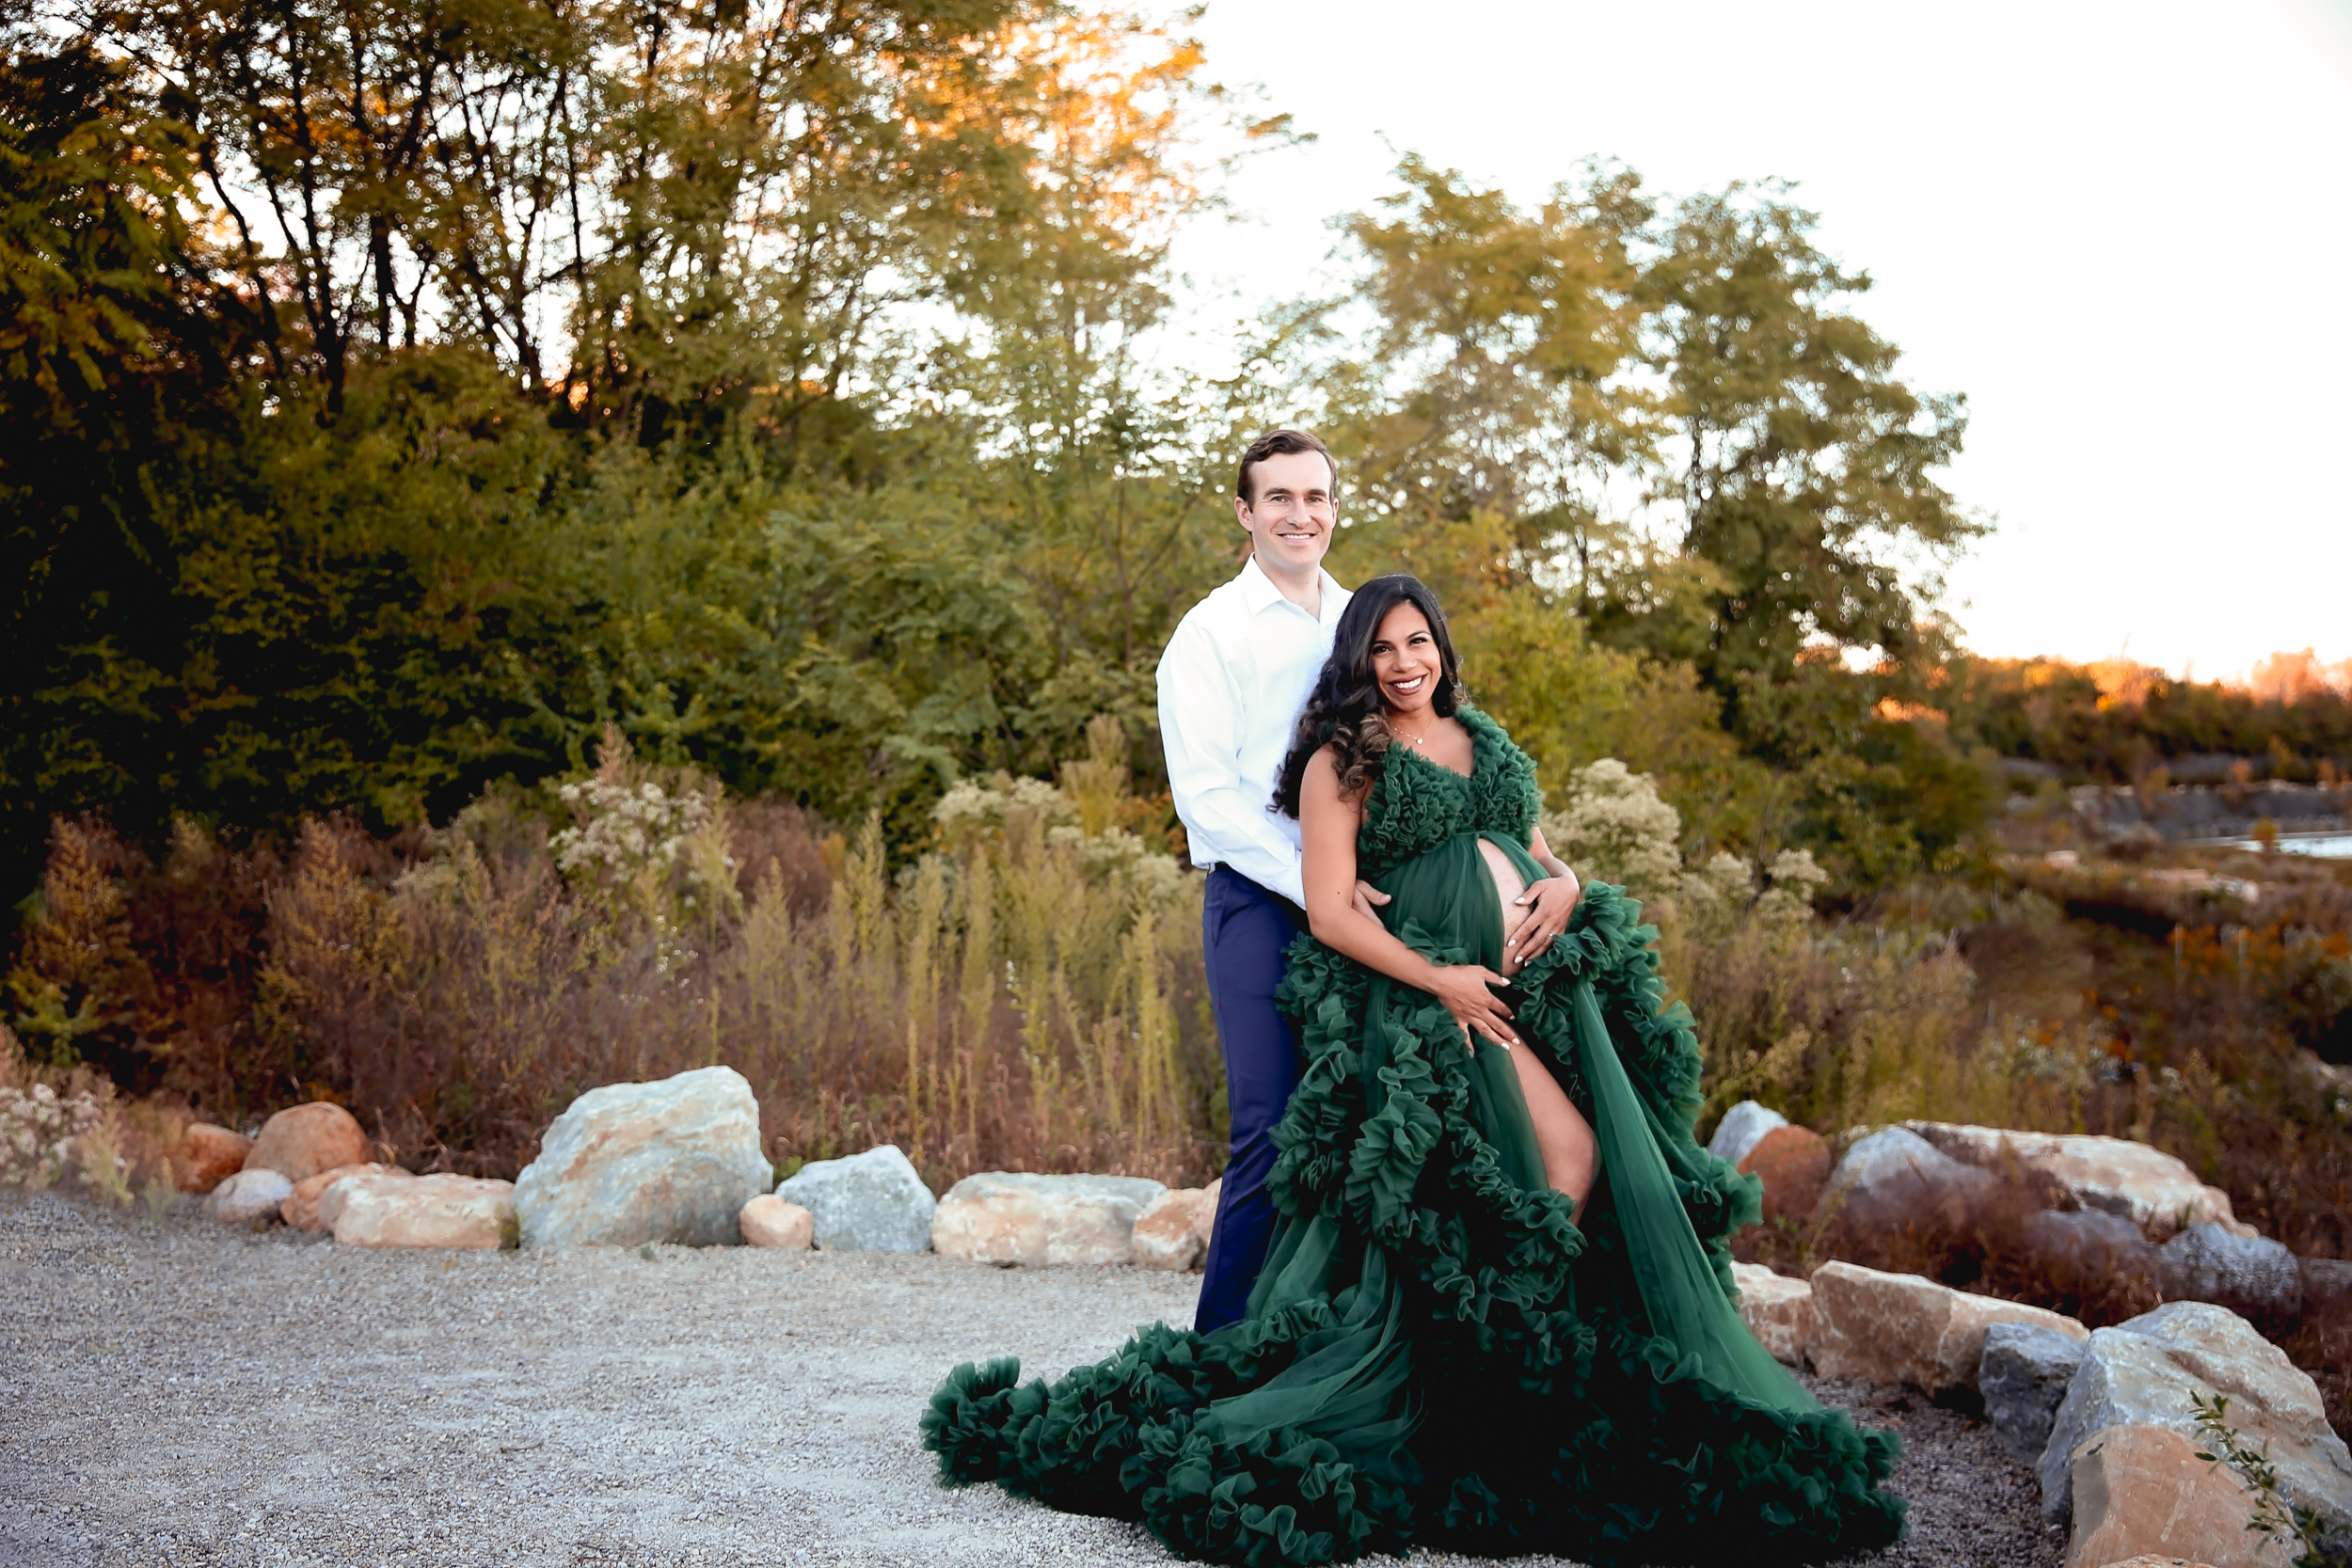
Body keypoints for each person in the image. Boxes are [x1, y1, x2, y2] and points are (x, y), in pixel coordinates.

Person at [925, 576, 1909, 1566]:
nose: (1405, 663)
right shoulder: (1339, 760)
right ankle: (1493, 1385)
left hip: (1538, 991)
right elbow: (1331, 911)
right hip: (1434, 1003)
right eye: (1384, 649)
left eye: (1418, 642)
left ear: (1441, 645)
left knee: (1591, 1161)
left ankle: (1517, 1369)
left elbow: (1533, 847)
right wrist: (1439, 980)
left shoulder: (1480, 733)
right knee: (1564, 1160)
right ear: (1359, 661)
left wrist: (1562, 887)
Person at [1153, 427, 1363, 1334]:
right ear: (1245, 513)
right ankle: (1218, 1361)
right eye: (1278, 498)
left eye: (1314, 497)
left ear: (1334, 509)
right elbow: (1207, 801)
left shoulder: (1362, 620)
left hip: (1370, 901)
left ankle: (1330, 1347)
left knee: (1365, 1122)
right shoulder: (1208, 635)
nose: (1298, 514)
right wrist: (1317, 887)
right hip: (1260, 902)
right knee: (1272, 1132)